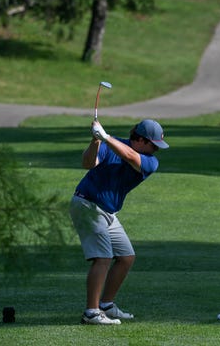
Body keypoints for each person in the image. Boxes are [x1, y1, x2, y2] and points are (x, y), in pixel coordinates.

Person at [69, 118, 169, 325]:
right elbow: (87, 164)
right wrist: (95, 142)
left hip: (107, 211)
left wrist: (105, 137)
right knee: (102, 258)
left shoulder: (150, 161)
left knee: (126, 257)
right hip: (87, 205)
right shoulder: (109, 145)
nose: (156, 150)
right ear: (140, 139)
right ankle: (92, 312)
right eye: (153, 145)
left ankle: (106, 304)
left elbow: (130, 156)